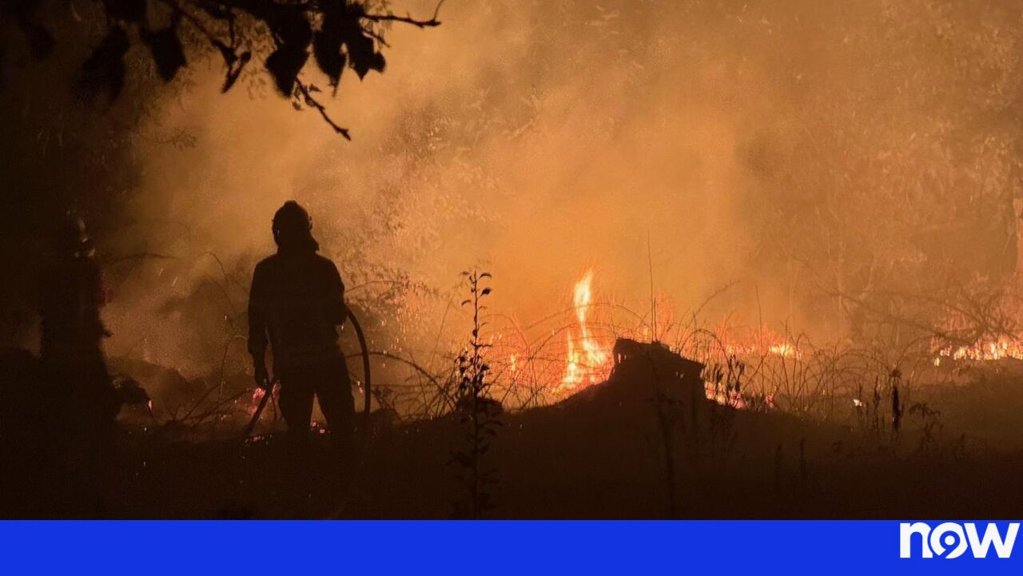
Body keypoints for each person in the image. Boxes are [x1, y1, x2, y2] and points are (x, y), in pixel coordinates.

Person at [248, 201, 355, 458]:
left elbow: (256, 325)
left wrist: (260, 364)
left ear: (278, 233)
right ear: (307, 229)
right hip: (328, 363)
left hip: (292, 368)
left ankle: (301, 486)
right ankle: (344, 484)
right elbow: (338, 316)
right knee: (344, 434)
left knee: (298, 436)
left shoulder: (266, 272)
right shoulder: (323, 269)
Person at [37, 214, 118, 512]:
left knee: (59, 417)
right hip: (83, 353)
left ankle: (61, 484)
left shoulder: (48, 273)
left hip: (57, 354)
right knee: (102, 409)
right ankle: (95, 483)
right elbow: (98, 302)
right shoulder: (88, 269)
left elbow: (45, 314)